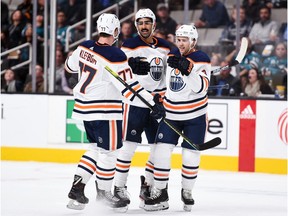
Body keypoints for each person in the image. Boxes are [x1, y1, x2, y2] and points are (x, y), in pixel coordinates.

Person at [65, 13, 164, 211]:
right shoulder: (115, 55)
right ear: (116, 31)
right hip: (104, 110)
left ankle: (78, 187)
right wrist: (153, 102)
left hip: (84, 108)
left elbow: (69, 66)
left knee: (95, 149)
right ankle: (104, 193)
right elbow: (130, 88)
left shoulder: (84, 46)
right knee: (110, 153)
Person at [143, 24, 211, 211]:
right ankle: (160, 192)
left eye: (184, 40)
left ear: (193, 41)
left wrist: (188, 71)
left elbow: (201, 87)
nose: (180, 44)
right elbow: (167, 82)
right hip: (171, 114)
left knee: (190, 156)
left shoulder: (201, 59)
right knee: (161, 153)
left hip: (195, 116)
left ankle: (187, 191)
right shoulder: (172, 55)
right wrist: (158, 99)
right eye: (179, 40)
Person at [112, 8, 171, 208]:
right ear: (136, 26)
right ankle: (118, 188)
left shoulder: (166, 47)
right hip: (135, 104)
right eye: (140, 23)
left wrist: (162, 100)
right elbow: (120, 69)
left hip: (156, 105)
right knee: (128, 147)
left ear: (154, 25)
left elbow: (170, 76)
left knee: (157, 149)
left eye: (147, 22)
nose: (144, 26)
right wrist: (131, 64)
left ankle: (147, 185)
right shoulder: (129, 45)